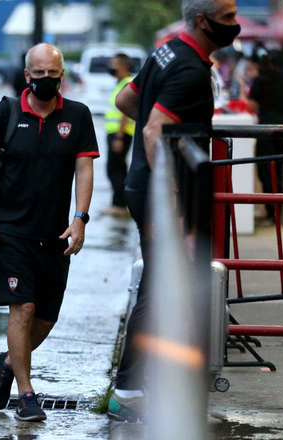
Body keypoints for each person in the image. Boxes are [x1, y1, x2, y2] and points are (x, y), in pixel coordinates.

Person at [107, 0, 240, 422]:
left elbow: (126, 100)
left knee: (161, 286)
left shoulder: (166, 50)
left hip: (142, 184)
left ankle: (145, 386)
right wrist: (173, 204)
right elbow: (151, 127)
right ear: (203, 21)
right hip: (159, 193)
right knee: (161, 288)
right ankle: (130, 390)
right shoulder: (187, 69)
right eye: (228, 18)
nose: (236, 25)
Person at [0, 43, 99, 421]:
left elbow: (85, 169)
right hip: (11, 232)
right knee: (22, 309)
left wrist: (80, 218)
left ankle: (9, 362)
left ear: (63, 75)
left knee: (45, 319)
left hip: (56, 234)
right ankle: (27, 395)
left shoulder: (77, 115)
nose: (46, 80)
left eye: (53, 74)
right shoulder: (4, 114)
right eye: (38, 74)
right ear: (27, 75)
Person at [248, 51, 283, 222]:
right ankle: (278, 209)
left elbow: (252, 104)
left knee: (266, 169)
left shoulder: (259, 80)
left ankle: (270, 210)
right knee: (279, 167)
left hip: (266, 127)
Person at [102, 53, 135, 218]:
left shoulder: (127, 83)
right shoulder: (123, 83)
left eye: (113, 63)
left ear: (122, 66)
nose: (111, 67)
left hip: (120, 134)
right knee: (119, 168)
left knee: (114, 169)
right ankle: (119, 203)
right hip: (117, 133)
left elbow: (124, 113)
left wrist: (119, 137)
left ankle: (120, 205)